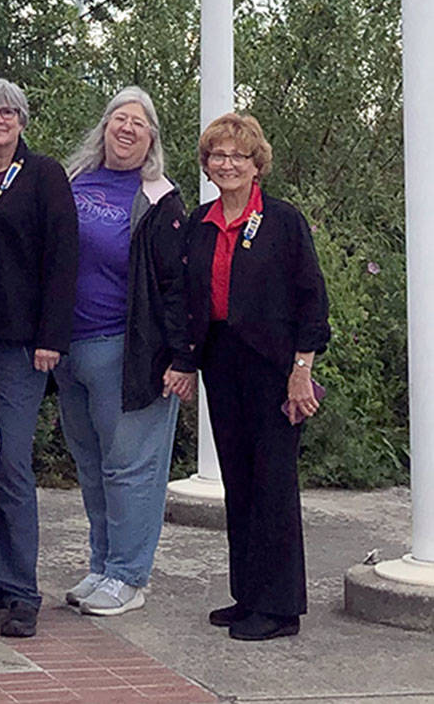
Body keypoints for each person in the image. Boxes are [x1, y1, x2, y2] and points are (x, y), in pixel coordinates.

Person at [175, 112, 329, 641]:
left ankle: (281, 607)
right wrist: (186, 362)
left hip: (275, 367)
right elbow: (188, 300)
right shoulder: (200, 222)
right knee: (239, 483)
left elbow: (313, 299)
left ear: (256, 163)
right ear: (207, 163)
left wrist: (301, 370)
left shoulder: (282, 221)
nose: (227, 163)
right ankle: (249, 596)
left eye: (238, 155)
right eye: (218, 155)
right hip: (222, 362)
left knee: (273, 486)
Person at [54, 87, 193, 617]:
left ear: (151, 137)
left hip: (130, 352)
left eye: (139, 122)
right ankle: (101, 566)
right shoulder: (72, 183)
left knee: (130, 468)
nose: (127, 128)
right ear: (104, 127)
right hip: (70, 351)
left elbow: (177, 287)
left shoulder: (160, 200)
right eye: (119, 118)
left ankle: (129, 577)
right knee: (91, 465)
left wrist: (182, 358)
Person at [0, 78, 78, 637]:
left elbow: (63, 259)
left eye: (8, 110)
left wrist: (50, 337)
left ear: (23, 119)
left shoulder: (43, 175)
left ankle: (22, 592)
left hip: (19, 345)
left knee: (10, 462)